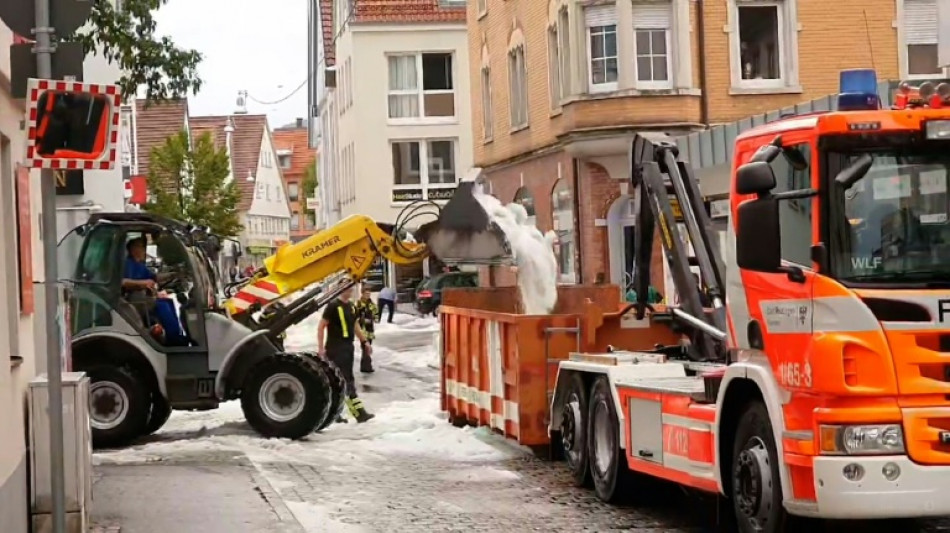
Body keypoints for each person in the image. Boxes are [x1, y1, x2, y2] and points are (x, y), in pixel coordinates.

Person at [318, 286, 375, 423]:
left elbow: (355, 325)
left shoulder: (351, 306)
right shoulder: (332, 306)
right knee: (343, 380)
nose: (349, 292)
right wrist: (321, 348)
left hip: (348, 347)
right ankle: (357, 413)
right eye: (346, 289)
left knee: (343, 379)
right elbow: (321, 326)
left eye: (350, 289)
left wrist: (364, 341)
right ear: (340, 290)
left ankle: (337, 414)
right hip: (335, 347)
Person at [122, 238, 186, 345]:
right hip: (134, 301)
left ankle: (176, 335)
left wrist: (173, 274)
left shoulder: (140, 265)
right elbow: (123, 281)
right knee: (162, 306)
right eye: (141, 247)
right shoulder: (128, 264)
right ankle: (173, 339)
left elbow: (154, 277)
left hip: (144, 298)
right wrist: (143, 283)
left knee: (168, 301)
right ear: (133, 249)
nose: (144, 250)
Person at [355, 287, 378, 373]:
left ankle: (364, 366)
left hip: (370, 329)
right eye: (366, 294)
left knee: (368, 347)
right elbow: (355, 317)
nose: (368, 295)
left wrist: (375, 318)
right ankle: (367, 366)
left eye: (369, 294)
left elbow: (376, 312)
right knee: (365, 347)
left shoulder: (371, 304)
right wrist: (362, 320)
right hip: (362, 329)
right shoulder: (358, 304)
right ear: (362, 293)